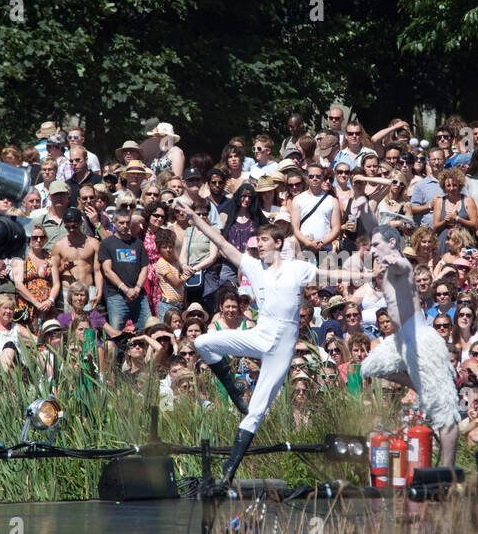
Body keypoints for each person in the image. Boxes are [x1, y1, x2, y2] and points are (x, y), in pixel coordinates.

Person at [178, 198, 324, 485]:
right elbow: (223, 243)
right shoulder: (256, 268)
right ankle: (234, 389)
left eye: (265, 240)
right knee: (203, 343)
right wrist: (196, 220)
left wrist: (369, 274)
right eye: (258, 241)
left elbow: (331, 273)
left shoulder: (297, 268)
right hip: (260, 336)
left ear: (279, 243)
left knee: (255, 413)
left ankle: (228, 473)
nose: (260, 245)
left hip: (281, 349)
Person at [360, 225, 462, 467]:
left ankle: (447, 469)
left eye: (377, 245)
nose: (372, 250)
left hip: (420, 339)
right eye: (371, 245)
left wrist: (395, 260)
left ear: (392, 244)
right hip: (400, 341)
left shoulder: (399, 266)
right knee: (368, 367)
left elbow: (404, 268)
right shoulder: (386, 272)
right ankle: (418, 384)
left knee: (444, 412)